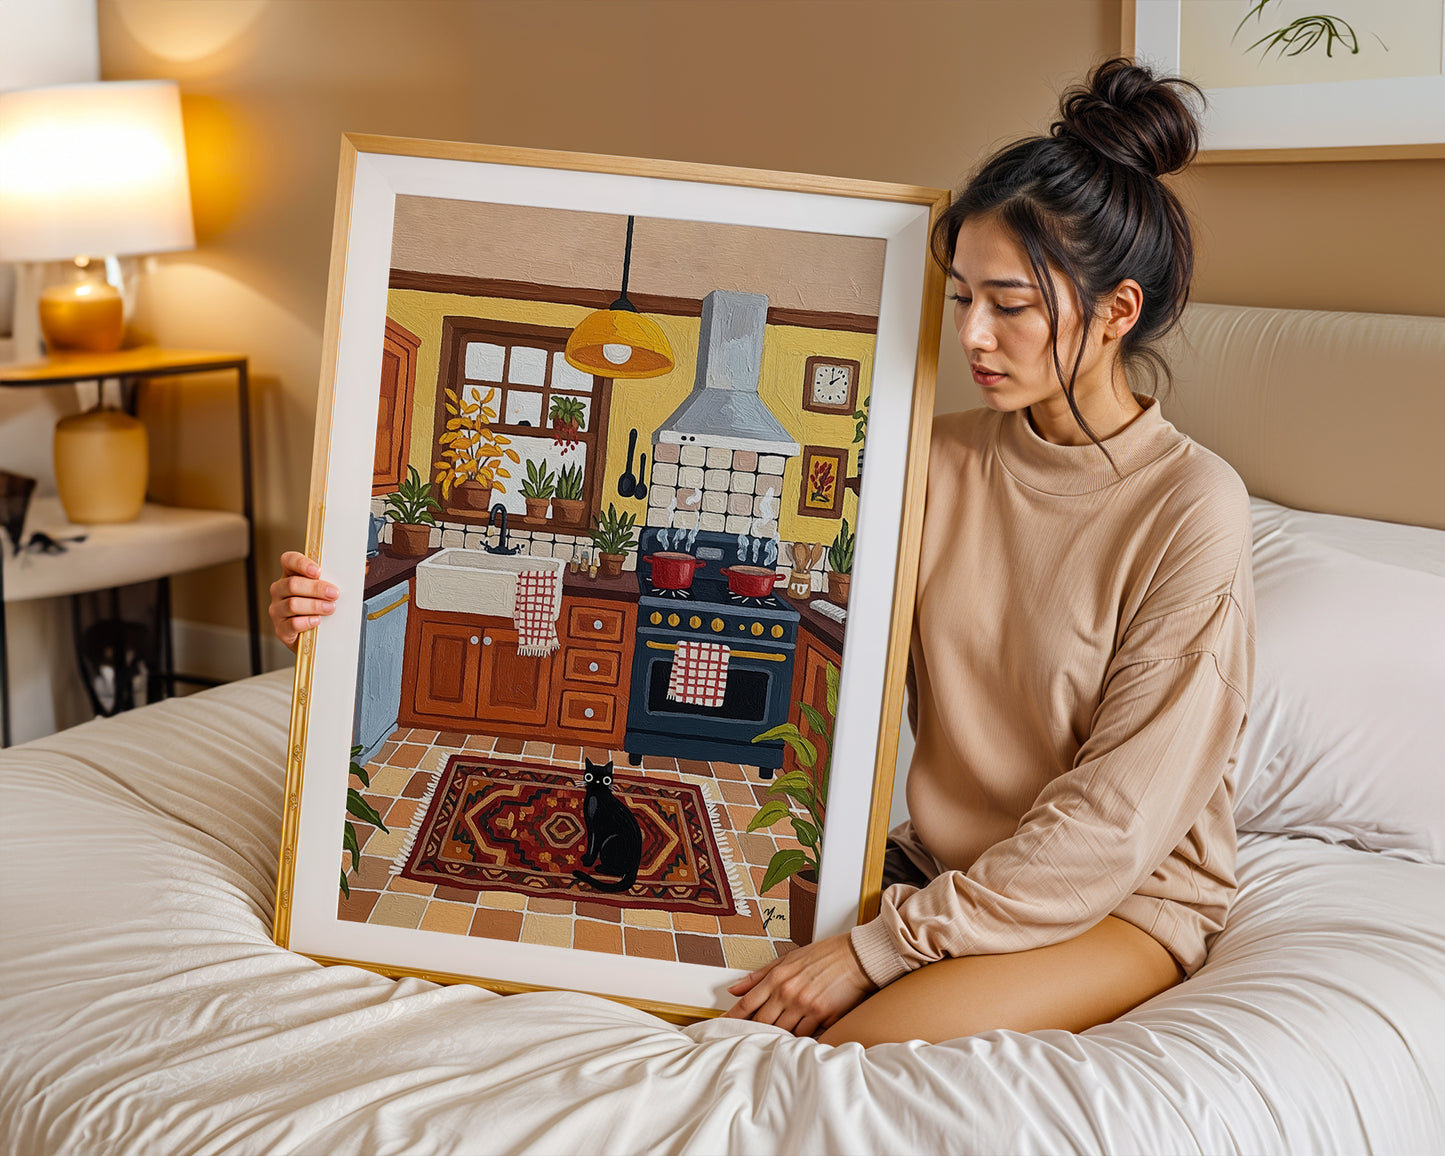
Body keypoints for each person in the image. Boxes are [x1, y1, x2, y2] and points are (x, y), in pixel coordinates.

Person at [270, 55, 1255, 1048]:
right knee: (695, 1002)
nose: (971, 334)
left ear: (1115, 312)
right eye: (958, 298)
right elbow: (840, 646)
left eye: (1009, 304)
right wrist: (336, 603)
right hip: (948, 872)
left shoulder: (1188, 506)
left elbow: (1114, 823)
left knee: (844, 1053)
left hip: (1118, 899)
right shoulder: (935, 459)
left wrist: (876, 950)